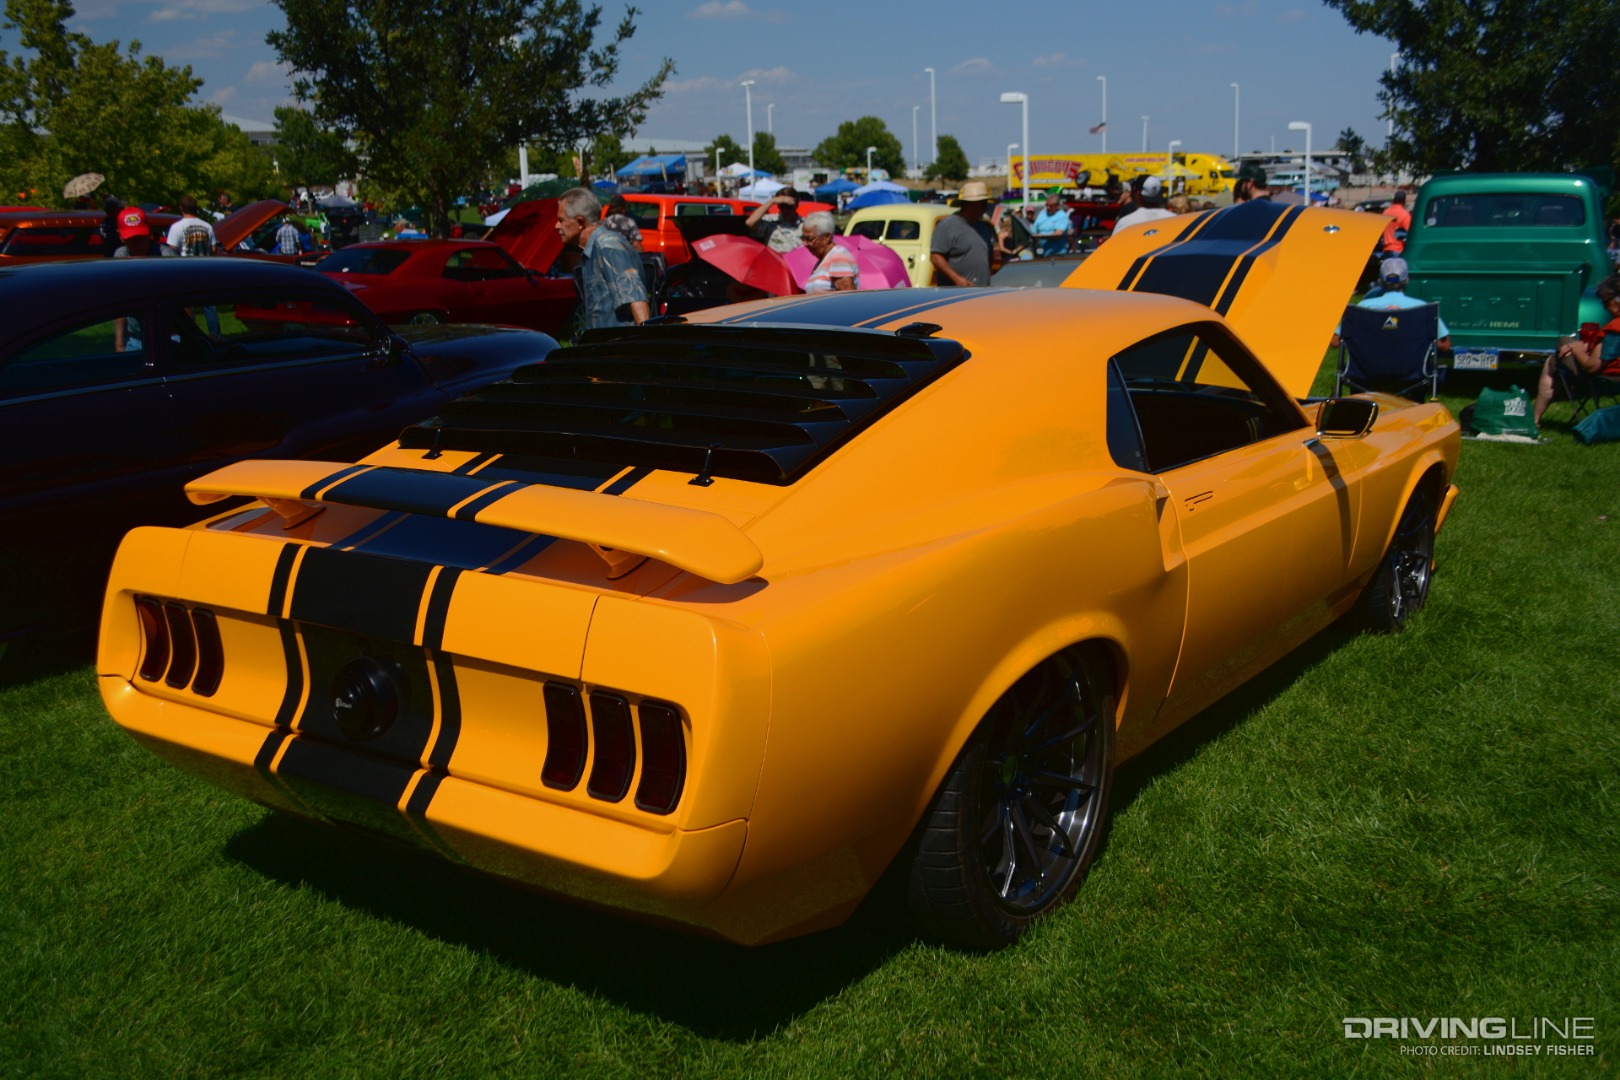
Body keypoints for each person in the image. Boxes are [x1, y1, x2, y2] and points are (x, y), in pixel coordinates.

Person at [556, 186, 649, 329]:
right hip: (606, 347)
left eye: (561, 220)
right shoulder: (592, 248)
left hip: (622, 347)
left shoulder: (607, 245)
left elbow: (636, 299)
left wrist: (647, 341)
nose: (557, 226)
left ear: (580, 222)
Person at [1533, 273, 1620, 424]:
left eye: (1606, 303)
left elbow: (1591, 367)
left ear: (1616, 300)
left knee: (1553, 361)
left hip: (1607, 380)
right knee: (1565, 343)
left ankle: (1534, 420)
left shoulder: (1613, 329)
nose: (1605, 308)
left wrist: (1577, 349)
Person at [1330, 257, 1451, 352]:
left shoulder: (1362, 307)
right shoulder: (1423, 308)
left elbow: (1335, 342)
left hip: (1367, 372)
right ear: (1407, 280)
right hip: (1412, 372)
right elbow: (1444, 345)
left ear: (1379, 282)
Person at [929, 180, 998, 287]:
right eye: (983, 203)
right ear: (971, 204)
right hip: (956, 294)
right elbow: (936, 257)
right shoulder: (947, 225)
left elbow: (988, 255)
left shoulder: (983, 226)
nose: (985, 208)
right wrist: (957, 279)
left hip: (981, 291)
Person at [798, 211, 859, 293]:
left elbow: (848, 298)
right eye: (803, 238)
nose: (805, 243)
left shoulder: (838, 257)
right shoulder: (823, 260)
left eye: (809, 239)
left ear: (827, 237)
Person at [1031, 188, 1072, 256]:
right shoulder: (1042, 214)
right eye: (1046, 205)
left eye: (1050, 206)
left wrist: (1041, 236)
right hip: (1041, 252)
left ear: (1057, 206)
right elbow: (1034, 230)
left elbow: (1058, 234)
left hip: (1057, 254)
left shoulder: (1062, 216)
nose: (1048, 207)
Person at [1380, 190, 1412, 255]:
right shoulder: (1405, 215)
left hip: (1386, 249)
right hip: (1398, 249)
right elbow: (1409, 234)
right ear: (1404, 201)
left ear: (1394, 200)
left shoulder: (1385, 212)